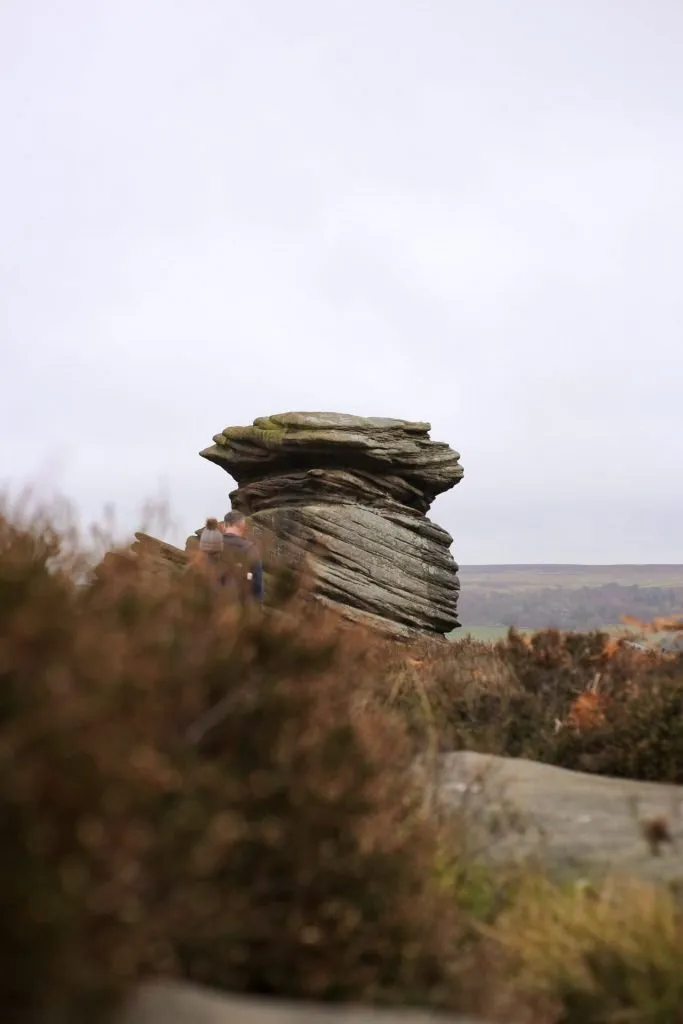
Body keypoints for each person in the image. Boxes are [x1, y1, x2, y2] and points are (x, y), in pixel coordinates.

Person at [220, 510, 264, 603]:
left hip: (212, 610)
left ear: (224, 526)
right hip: (241, 609)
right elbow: (257, 587)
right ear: (242, 526)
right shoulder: (250, 549)